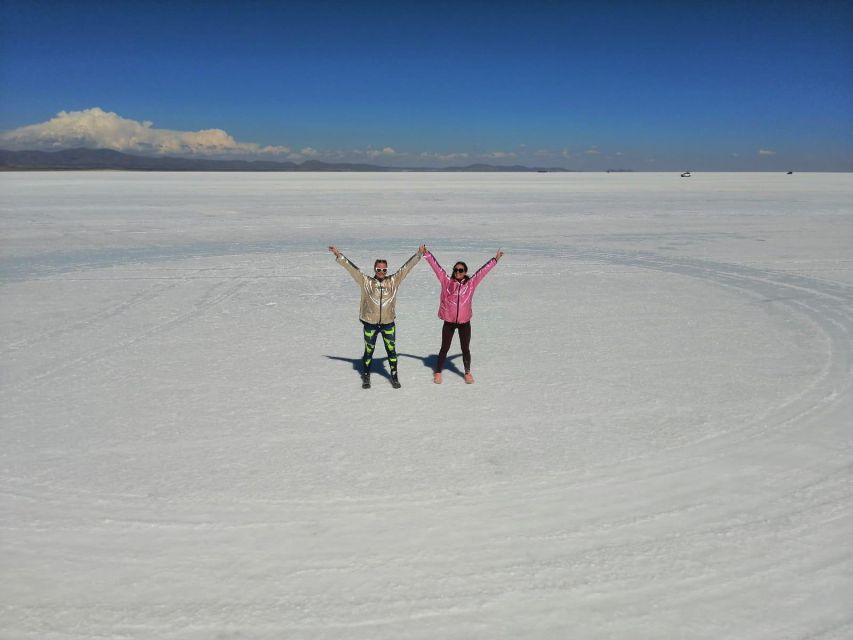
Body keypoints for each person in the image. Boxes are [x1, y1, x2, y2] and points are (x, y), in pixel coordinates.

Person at [328, 244, 425, 389]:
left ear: (387, 270)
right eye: (379, 269)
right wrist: (338, 255)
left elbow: (406, 268)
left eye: (384, 269)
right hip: (370, 323)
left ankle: (394, 375)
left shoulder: (393, 281)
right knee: (368, 351)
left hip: (388, 323)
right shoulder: (366, 282)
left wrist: (418, 255)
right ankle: (366, 375)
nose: (381, 272)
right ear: (375, 269)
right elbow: (352, 269)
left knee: (391, 351)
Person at [423, 248, 504, 384]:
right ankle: (437, 372)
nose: (457, 272)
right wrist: (426, 253)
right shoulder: (447, 281)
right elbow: (436, 267)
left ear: (465, 272)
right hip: (449, 321)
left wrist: (494, 260)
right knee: (444, 347)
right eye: (455, 270)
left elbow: (482, 272)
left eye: (460, 270)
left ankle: (467, 372)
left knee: (465, 348)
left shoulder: (470, 284)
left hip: (464, 322)